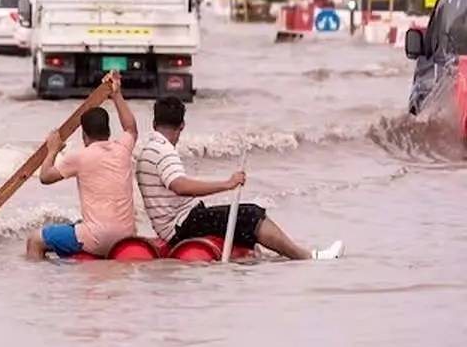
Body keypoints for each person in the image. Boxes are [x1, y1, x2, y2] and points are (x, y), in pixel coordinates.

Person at [135, 96, 344, 260]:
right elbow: (179, 186)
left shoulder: (150, 148)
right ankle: (307, 256)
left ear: (154, 123)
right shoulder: (164, 151)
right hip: (181, 226)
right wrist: (228, 184)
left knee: (239, 219)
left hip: (179, 222)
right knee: (250, 214)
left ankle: (278, 253)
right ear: (182, 126)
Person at [26, 72, 137, 260]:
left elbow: (45, 177)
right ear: (108, 131)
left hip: (98, 240)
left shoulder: (80, 157)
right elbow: (131, 128)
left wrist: (53, 150)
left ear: (84, 135)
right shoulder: (122, 149)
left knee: (35, 240)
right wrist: (117, 94)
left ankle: (41, 282)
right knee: (79, 224)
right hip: (126, 237)